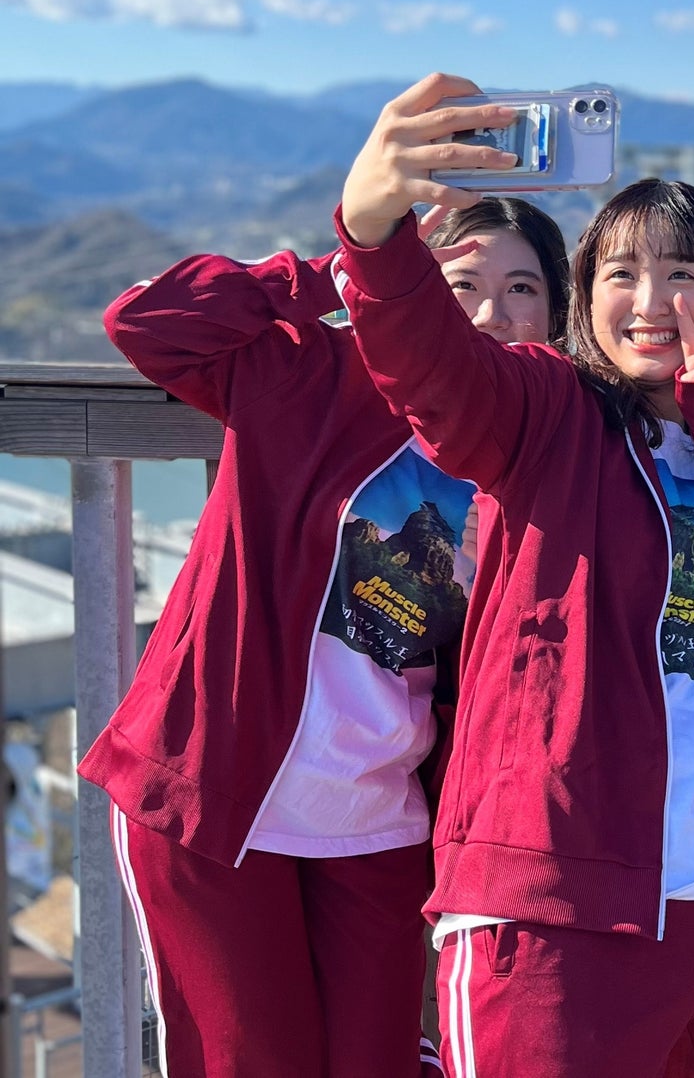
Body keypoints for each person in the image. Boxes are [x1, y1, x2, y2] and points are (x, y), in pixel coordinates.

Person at [333, 73, 694, 1078]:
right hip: (556, 898)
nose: (651, 303)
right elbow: (432, 370)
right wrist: (372, 230)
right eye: (621, 274)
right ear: (584, 295)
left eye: (683, 273)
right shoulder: (547, 410)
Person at [79, 192, 569, 1077]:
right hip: (219, 796)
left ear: (555, 318)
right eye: (459, 283)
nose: (490, 312)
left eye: (521, 288)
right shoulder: (313, 372)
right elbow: (144, 321)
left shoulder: (545, 454)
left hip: (382, 819)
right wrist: (340, 270)